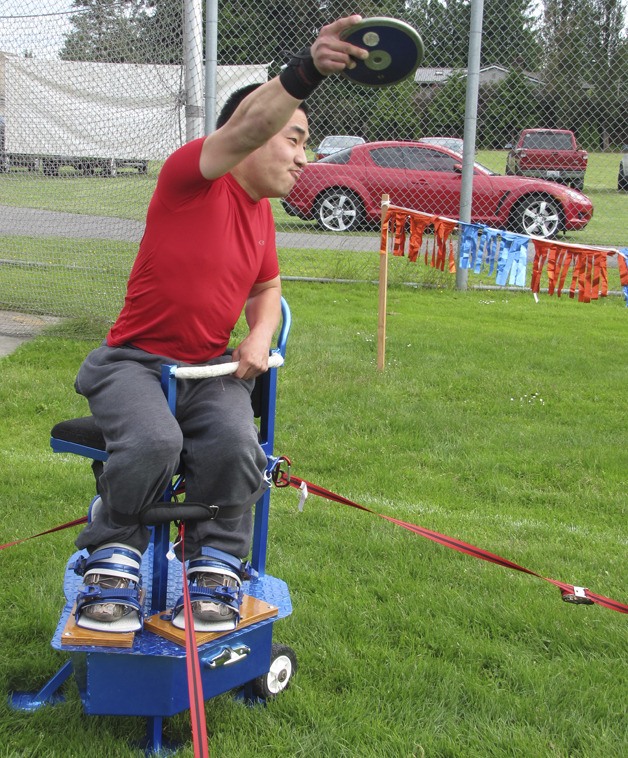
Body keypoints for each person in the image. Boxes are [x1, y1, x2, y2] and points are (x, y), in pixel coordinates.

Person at [71, 15, 369, 633]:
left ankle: (212, 565)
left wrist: (260, 334)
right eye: (293, 138)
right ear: (251, 136)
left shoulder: (260, 215)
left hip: (208, 371)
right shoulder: (191, 180)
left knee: (240, 446)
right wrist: (308, 68)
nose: (303, 157)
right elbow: (253, 120)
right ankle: (112, 552)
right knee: (155, 442)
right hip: (134, 362)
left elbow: (268, 286)